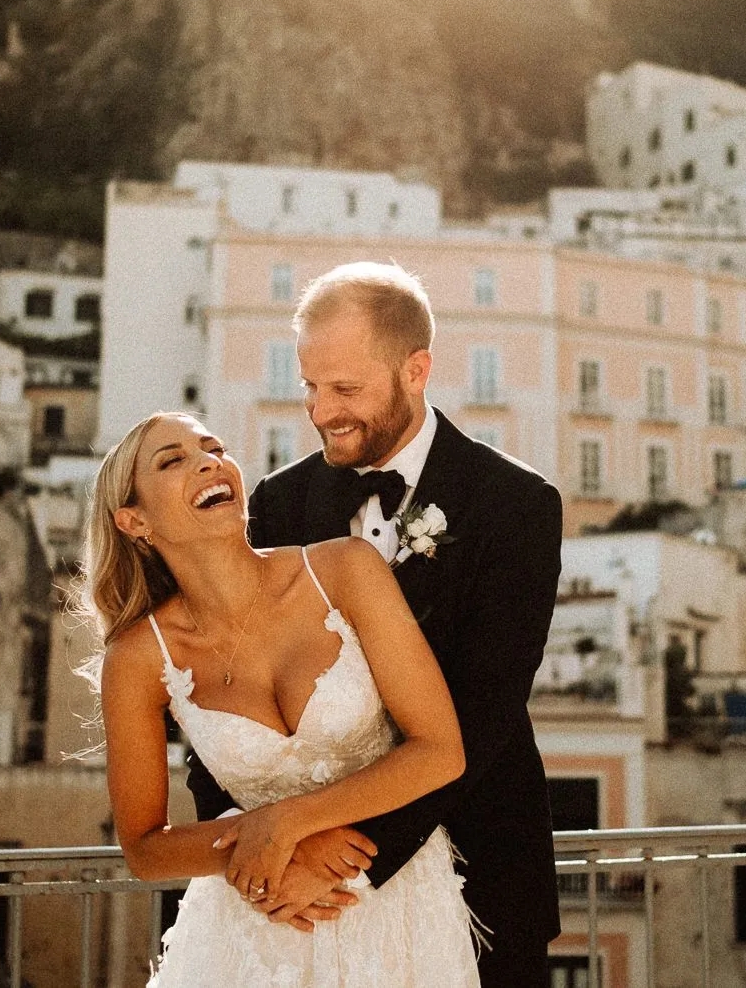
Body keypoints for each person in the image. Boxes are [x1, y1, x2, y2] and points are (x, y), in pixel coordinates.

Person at [187, 262, 564, 986]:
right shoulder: (280, 502)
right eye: (310, 385)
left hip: (476, 875)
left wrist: (347, 855)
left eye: (346, 389)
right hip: (292, 897)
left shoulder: (517, 505)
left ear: (416, 370)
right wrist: (263, 851)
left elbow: (483, 714)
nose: (321, 409)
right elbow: (223, 683)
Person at [91, 411, 482, 987]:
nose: (208, 461)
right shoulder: (136, 658)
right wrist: (273, 852)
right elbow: (146, 848)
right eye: (171, 461)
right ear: (134, 520)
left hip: (397, 907)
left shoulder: (346, 570)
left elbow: (441, 750)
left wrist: (288, 824)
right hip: (257, 920)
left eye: (213, 446)